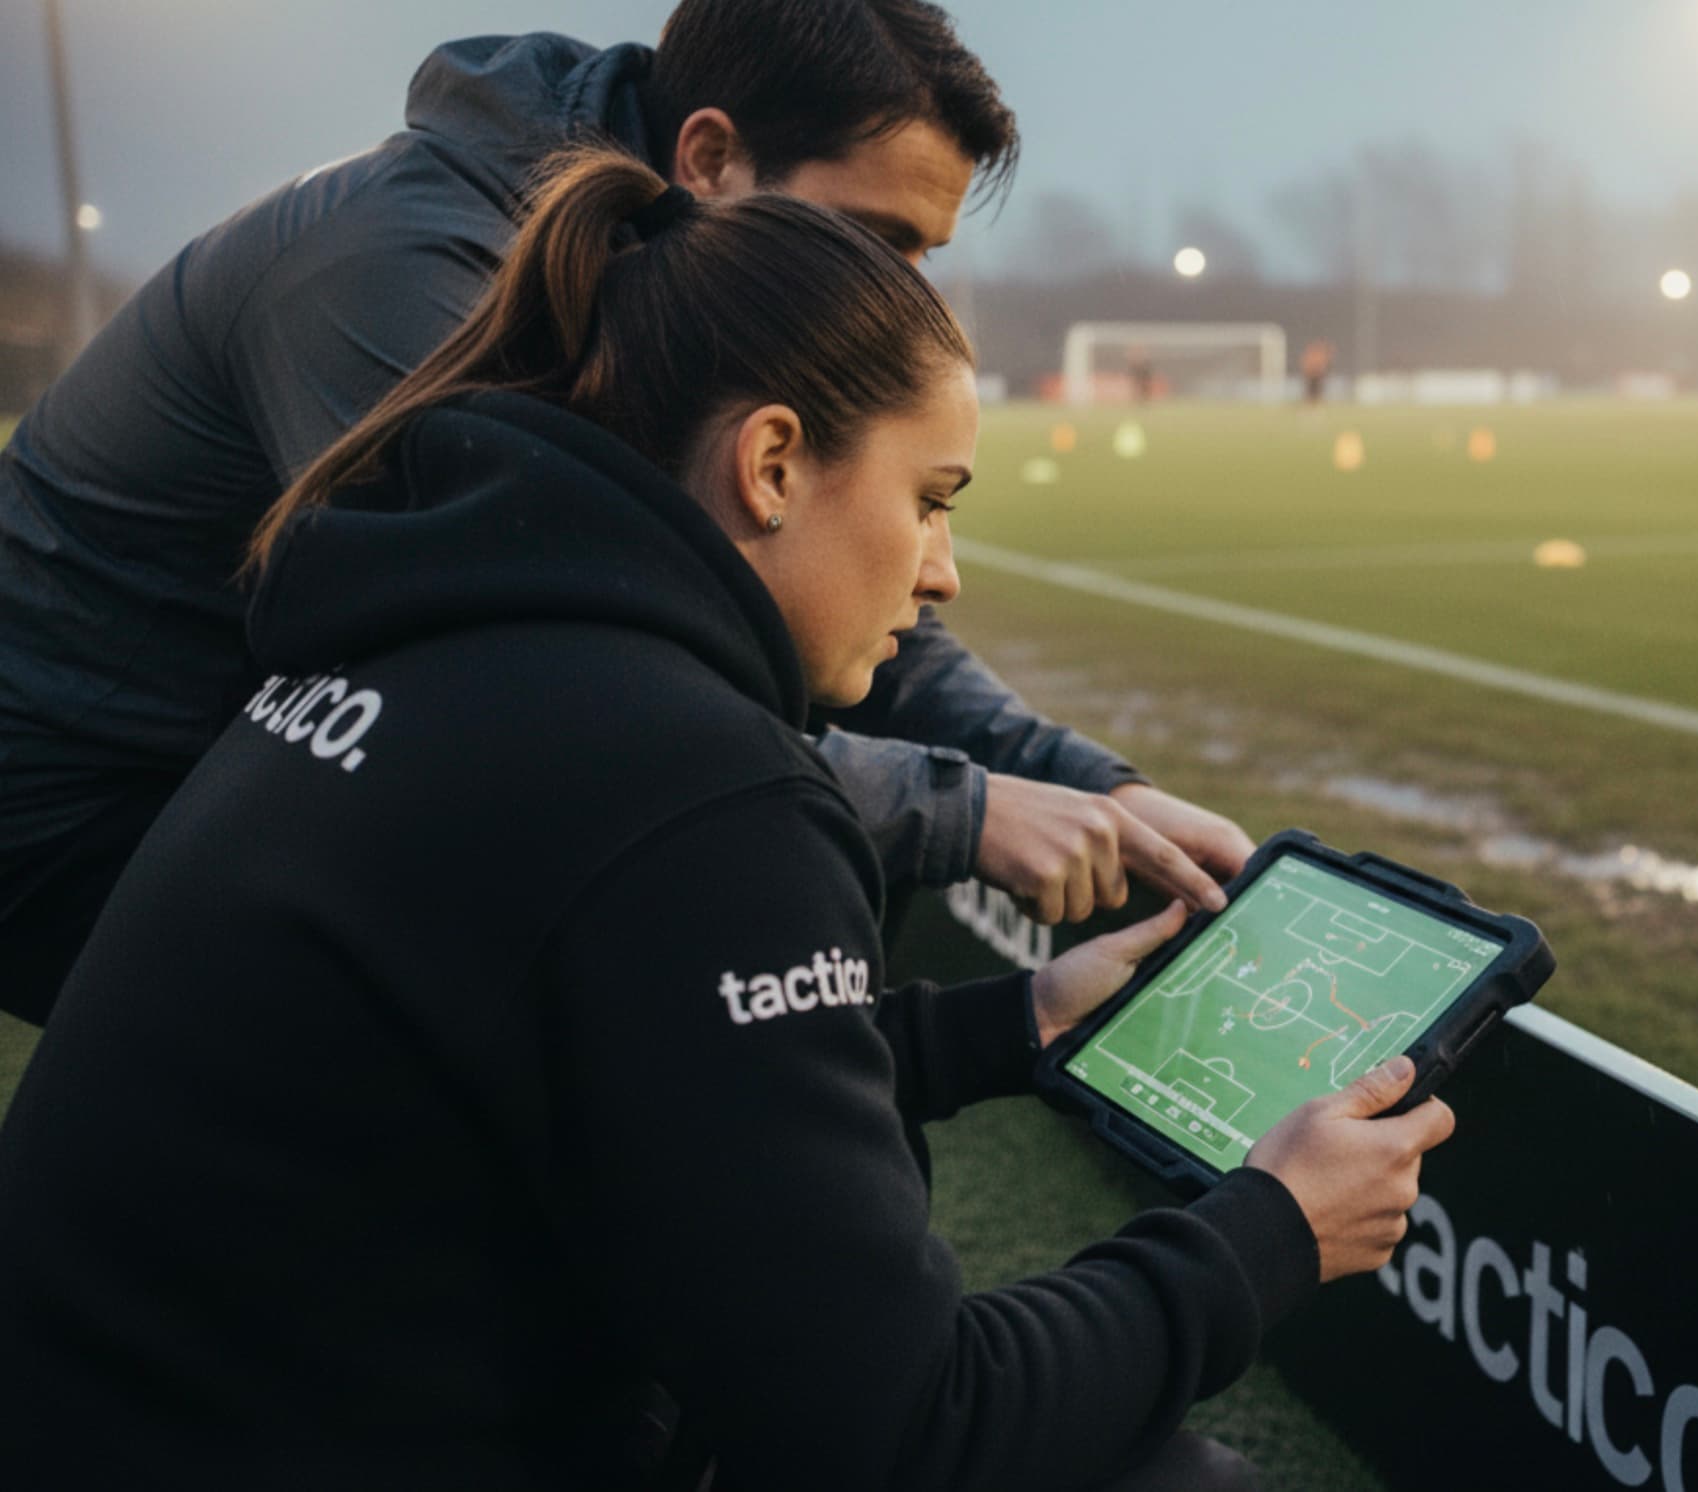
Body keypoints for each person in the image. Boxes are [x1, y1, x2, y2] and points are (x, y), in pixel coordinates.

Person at [0, 150, 1454, 1491]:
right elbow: (902, 1431)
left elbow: (636, 1077)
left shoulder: (425, 639)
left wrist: (1009, 1026)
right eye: (932, 498)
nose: (943, 572)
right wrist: (1267, 1232)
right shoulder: (691, 781)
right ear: (770, 466)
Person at [0, 0, 1247, 1029]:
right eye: (876, 237)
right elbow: (514, 703)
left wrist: (1085, 784)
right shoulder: (417, 278)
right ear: (707, 160)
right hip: (86, 819)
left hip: (255, 778)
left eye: (921, 252)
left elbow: (804, 587)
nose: (895, 291)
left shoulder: (660, 288)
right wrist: (960, 811)